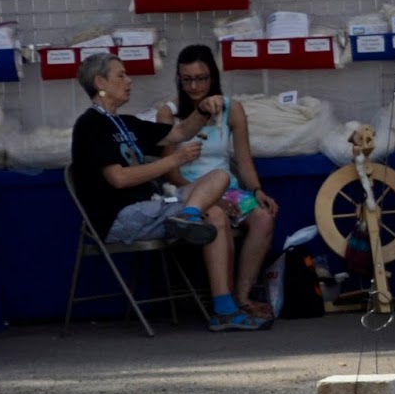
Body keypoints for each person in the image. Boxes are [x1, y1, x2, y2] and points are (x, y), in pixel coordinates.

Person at [70, 52, 263, 331]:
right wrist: (173, 161)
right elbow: (119, 179)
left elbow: (179, 133)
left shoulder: (124, 122)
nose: (130, 80)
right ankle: (224, 309)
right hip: (119, 217)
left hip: (152, 205)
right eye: (121, 75)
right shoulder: (90, 125)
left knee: (220, 176)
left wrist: (204, 110)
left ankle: (188, 216)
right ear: (100, 82)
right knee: (216, 215)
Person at [155, 44, 279, 321]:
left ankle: (242, 297)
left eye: (201, 78)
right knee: (216, 214)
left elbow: (244, 161)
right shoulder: (169, 113)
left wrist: (257, 190)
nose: (194, 86)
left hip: (229, 187)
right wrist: (213, 197)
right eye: (186, 79)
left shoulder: (231, 109)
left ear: (213, 77)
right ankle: (222, 306)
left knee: (263, 218)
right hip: (188, 188)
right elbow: (169, 171)